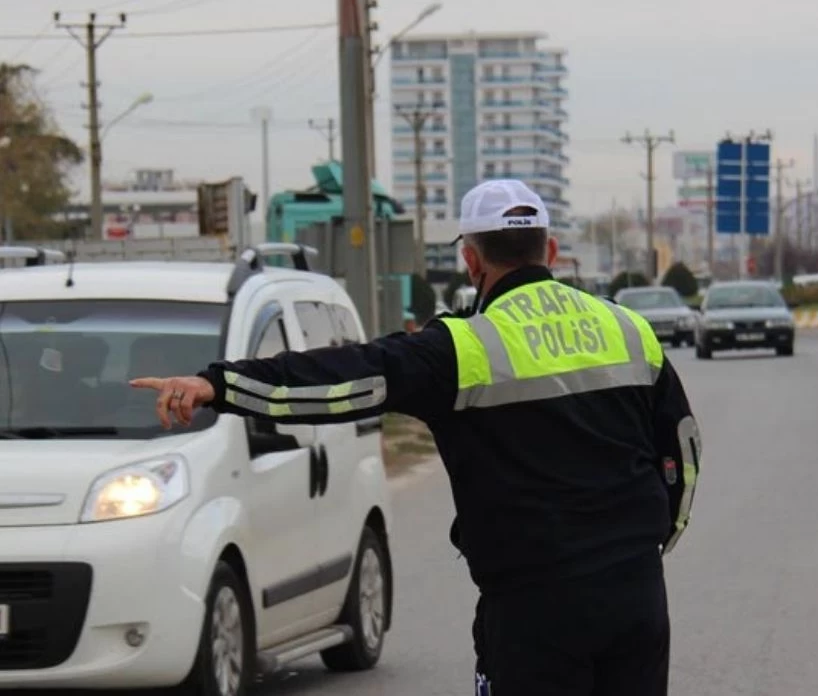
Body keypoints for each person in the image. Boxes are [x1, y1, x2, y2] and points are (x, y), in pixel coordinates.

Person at [130, 178, 702, 696]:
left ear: (471, 260)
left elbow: (338, 383)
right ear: (550, 251)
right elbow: (683, 451)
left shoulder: (463, 347)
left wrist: (218, 386)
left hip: (536, 609)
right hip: (637, 596)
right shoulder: (631, 331)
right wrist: (653, 543)